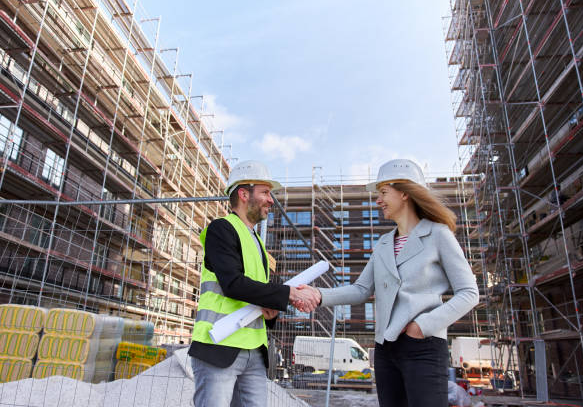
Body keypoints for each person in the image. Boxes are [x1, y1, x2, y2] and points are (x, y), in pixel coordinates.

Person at [298, 159, 479, 407]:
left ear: (405, 193)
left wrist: (421, 326)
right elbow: (361, 289)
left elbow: (469, 293)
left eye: (383, 192)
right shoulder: (384, 243)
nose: (377, 200)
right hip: (385, 350)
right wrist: (318, 294)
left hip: (424, 346)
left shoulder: (438, 234)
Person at [189, 160, 320, 407]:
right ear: (243, 193)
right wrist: (287, 294)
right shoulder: (221, 229)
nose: (271, 200)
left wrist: (270, 311)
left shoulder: (258, 243)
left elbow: (260, 290)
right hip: (219, 346)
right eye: (265, 192)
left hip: (254, 351)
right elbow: (233, 284)